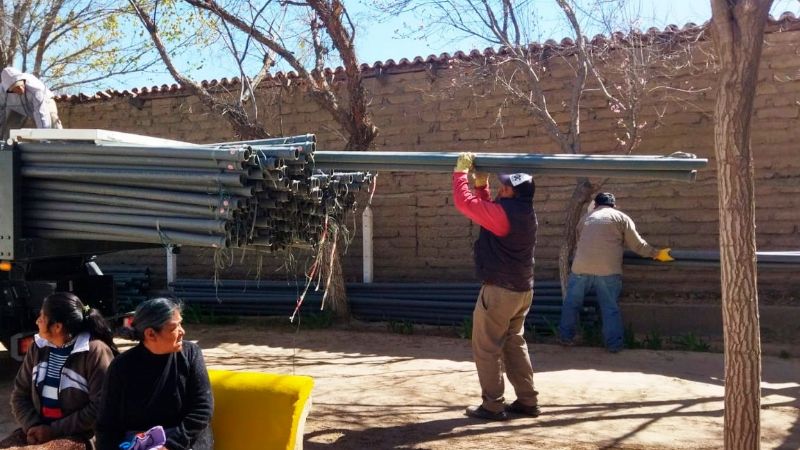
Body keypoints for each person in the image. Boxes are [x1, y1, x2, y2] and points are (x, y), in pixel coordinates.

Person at [452, 152, 540, 421]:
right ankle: (527, 401)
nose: (501, 189)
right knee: (514, 343)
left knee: (487, 347)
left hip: (500, 291)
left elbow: (465, 205)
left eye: (505, 187)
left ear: (513, 192)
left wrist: (460, 176)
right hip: (522, 289)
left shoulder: (506, 214)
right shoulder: (524, 212)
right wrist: (481, 187)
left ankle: (492, 405)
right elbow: (487, 216)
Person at [558, 192, 674, 353]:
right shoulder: (621, 218)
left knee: (571, 304)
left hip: (581, 268)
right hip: (608, 270)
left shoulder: (586, 218)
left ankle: (565, 338)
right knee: (609, 307)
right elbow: (637, 245)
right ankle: (613, 345)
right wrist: (657, 254)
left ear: (596, 205)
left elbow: (579, 240)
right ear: (613, 205)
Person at [1, 292, 119, 449]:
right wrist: (33, 426)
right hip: (40, 429)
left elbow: (100, 406)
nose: (37, 321)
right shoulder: (38, 347)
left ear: (57, 327)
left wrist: (54, 430)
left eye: (42, 317)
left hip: (82, 434)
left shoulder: (95, 351)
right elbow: (20, 395)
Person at [95, 298, 213, 450]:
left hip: (184, 441)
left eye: (180, 324)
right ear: (150, 334)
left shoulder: (190, 354)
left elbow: (202, 410)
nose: (182, 331)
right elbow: (107, 424)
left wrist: (169, 445)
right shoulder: (121, 367)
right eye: (174, 327)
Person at [0, 67, 62, 139]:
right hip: (18, 108)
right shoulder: (2, 94)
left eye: (20, 84)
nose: (20, 89)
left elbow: (41, 115)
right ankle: (6, 147)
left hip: (46, 102)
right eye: (16, 87)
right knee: (10, 127)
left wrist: (44, 140)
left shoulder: (36, 89)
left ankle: (59, 144)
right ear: (8, 89)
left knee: (52, 120)